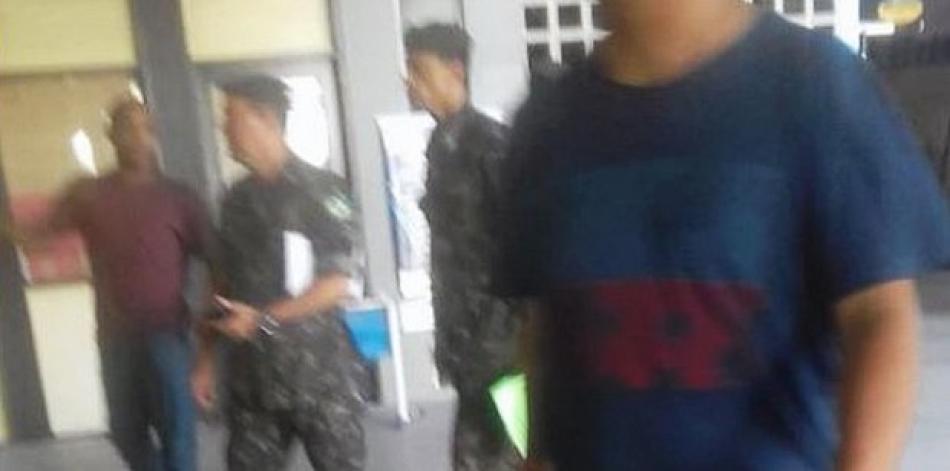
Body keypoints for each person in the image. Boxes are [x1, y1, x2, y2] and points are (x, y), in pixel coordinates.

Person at [498, 1, 950, 470]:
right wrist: (536, 456)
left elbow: (878, 314)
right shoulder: (546, 124)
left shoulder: (816, 86)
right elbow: (543, 323)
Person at [2, 97, 212, 471]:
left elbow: (216, 262)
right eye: (127, 127)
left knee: (178, 434)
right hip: (114, 337)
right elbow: (37, 236)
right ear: (111, 135)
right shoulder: (89, 193)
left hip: (168, 336)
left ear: (155, 135)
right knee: (124, 432)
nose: (137, 136)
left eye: (145, 128)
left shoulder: (180, 197)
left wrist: (207, 342)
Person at [190, 75, 366, 471]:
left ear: (266, 119)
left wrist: (261, 320)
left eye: (231, 117)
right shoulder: (235, 200)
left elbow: (338, 282)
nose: (223, 128)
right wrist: (205, 358)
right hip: (254, 385)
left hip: (321, 379)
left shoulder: (326, 190)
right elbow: (220, 280)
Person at [404, 24, 523, 471]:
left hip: (504, 353)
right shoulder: (441, 145)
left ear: (455, 70)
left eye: (420, 70)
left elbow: (526, 245)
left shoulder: (491, 144)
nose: (411, 81)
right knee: (473, 460)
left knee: (513, 456)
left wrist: (517, 342)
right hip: (467, 347)